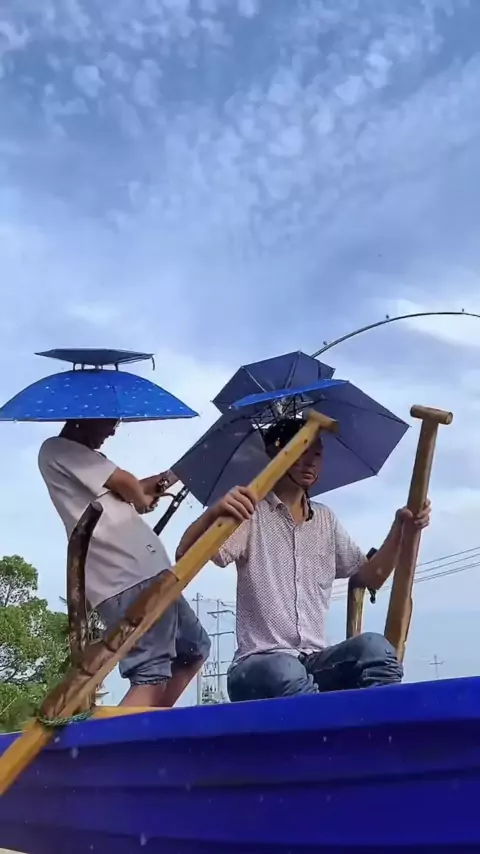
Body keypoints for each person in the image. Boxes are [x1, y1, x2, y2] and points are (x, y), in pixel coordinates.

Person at [177, 416, 431, 702]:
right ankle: (324, 725)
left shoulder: (325, 520)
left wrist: (402, 527)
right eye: (301, 452)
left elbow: (372, 577)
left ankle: (381, 723)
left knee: (377, 649)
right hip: (259, 665)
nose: (310, 462)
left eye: (317, 454)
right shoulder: (251, 514)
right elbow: (185, 555)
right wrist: (214, 513)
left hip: (312, 663)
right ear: (276, 454)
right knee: (286, 670)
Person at [39, 418, 210, 708]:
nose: (112, 430)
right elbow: (127, 483)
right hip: (128, 578)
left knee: (194, 650)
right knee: (150, 673)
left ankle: (151, 726)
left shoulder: (87, 463)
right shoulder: (58, 449)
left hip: (145, 574)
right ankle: (125, 734)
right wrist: (140, 498)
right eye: (110, 421)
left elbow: (132, 488)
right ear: (84, 418)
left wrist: (165, 479)